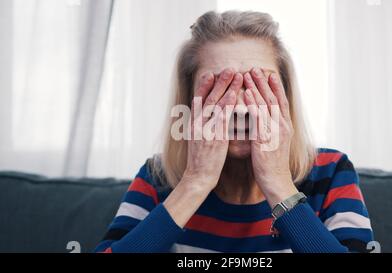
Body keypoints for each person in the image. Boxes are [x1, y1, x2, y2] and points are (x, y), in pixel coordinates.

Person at [95, 10, 373, 253]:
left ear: (285, 97)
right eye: (220, 86)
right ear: (189, 102)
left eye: (258, 84)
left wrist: (278, 183)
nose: (240, 107)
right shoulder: (157, 177)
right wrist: (194, 183)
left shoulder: (331, 172)